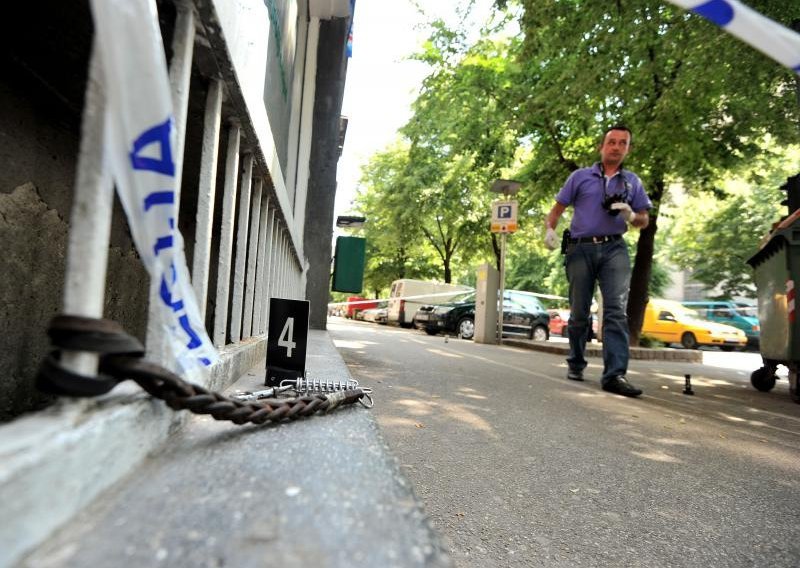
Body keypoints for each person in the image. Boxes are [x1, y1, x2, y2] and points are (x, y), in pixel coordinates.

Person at [544, 125, 652, 397]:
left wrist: (630, 216)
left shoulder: (632, 183)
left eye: (622, 143)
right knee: (579, 311)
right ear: (602, 147)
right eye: (611, 142)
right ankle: (576, 362)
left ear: (628, 149)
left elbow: (644, 220)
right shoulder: (580, 177)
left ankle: (615, 374)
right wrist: (550, 230)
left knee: (615, 310)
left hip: (614, 248)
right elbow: (557, 209)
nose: (616, 147)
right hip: (579, 248)